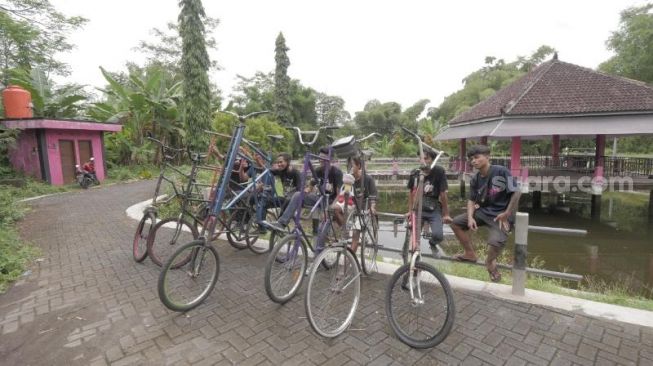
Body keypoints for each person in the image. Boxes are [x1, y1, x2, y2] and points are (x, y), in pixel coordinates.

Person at [450, 144, 521, 283]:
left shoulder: (501, 171)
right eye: (471, 159)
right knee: (456, 223)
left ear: (487, 157)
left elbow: (517, 192)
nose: (473, 161)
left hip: (501, 216)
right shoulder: (476, 178)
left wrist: (507, 213)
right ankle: (470, 253)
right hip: (484, 212)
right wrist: (470, 218)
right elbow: (471, 200)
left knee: (495, 242)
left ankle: (489, 263)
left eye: (477, 157)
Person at [265, 146, 343, 232]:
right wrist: (305, 191)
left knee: (321, 230)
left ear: (330, 159)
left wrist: (331, 206)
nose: (321, 160)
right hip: (319, 198)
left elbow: (339, 194)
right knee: (297, 195)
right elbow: (310, 187)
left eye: (323, 158)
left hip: (330, 200)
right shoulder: (317, 170)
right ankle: (282, 223)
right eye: (319, 157)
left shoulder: (337, 173)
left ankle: (323, 234)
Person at [406, 149, 451, 258]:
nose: (423, 161)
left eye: (426, 158)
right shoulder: (415, 172)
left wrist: (446, 214)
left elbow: (443, 194)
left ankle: (432, 243)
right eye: (421, 158)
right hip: (418, 208)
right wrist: (410, 211)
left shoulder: (439, 171)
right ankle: (415, 265)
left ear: (433, 160)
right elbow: (411, 193)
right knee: (414, 241)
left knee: (438, 235)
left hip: (433, 207)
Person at [333, 156, 377, 253]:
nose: (350, 167)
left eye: (352, 165)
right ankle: (345, 229)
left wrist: (372, 207)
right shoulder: (349, 179)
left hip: (363, 208)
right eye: (349, 165)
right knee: (335, 209)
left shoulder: (368, 179)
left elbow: (373, 196)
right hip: (352, 205)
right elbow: (346, 195)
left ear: (359, 166)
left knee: (356, 233)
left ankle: (350, 260)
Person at [250, 153, 301, 234]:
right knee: (264, 201)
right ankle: (262, 227)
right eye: (278, 162)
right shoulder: (280, 171)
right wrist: (258, 161)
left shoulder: (296, 173)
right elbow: (266, 169)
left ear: (288, 162)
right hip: (284, 199)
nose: (279, 164)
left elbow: (300, 191)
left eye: (281, 162)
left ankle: (280, 224)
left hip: (292, 201)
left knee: (288, 200)